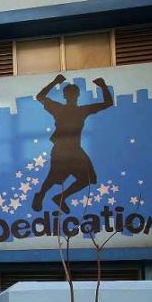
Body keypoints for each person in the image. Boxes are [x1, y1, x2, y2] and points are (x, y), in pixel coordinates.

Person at [32, 75, 113, 213]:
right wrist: (55, 82)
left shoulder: (81, 110)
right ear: (65, 95)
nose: (72, 96)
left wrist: (103, 86)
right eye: (69, 94)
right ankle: (41, 195)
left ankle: (60, 198)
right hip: (61, 150)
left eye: (74, 94)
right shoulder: (60, 108)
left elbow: (108, 103)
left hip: (75, 150)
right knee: (53, 177)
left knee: (88, 178)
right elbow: (40, 96)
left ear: (78, 95)